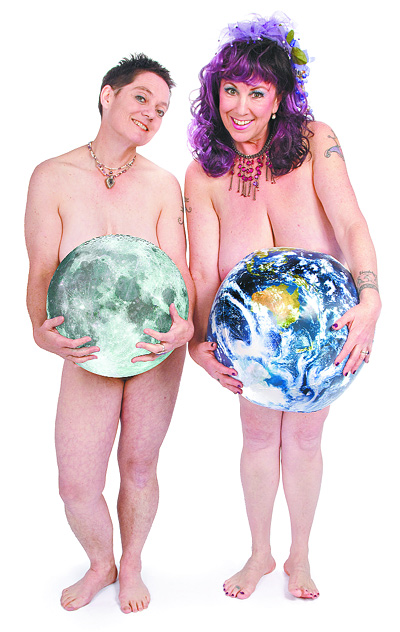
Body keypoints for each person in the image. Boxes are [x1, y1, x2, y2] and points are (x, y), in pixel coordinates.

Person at [185, 12, 380, 600]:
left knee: (304, 440)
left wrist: (371, 298)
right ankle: (259, 554)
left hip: (325, 330)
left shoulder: (316, 141)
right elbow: (203, 270)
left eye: (257, 92)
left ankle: (300, 556)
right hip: (248, 340)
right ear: (214, 95)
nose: (240, 106)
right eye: (230, 90)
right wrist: (198, 343)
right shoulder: (203, 174)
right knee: (256, 438)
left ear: (278, 99)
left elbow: (351, 223)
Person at [25, 53, 194, 614]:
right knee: (76, 484)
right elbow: (41, 271)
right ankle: (102, 562)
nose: (151, 114)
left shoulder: (163, 184)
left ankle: (134, 564)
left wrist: (185, 325)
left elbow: (179, 271)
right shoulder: (52, 175)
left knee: (139, 465)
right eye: (141, 98)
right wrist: (39, 330)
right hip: (89, 348)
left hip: (155, 345)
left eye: (161, 109)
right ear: (108, 95)